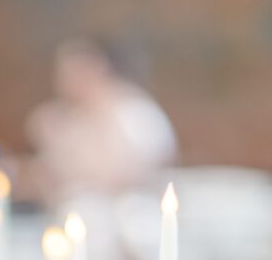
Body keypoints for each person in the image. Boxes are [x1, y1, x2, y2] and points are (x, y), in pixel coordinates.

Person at [25, 40, 177, 205]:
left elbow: (133, 173)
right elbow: (49, 175)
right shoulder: (63, 118)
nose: (66, 82)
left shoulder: (134, 112)